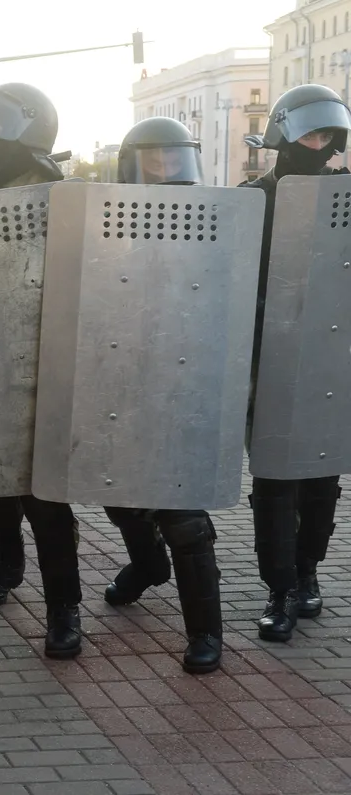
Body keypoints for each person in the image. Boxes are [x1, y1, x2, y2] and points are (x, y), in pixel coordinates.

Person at [0, 83, 83, 658]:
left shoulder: (63, 196)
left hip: (45, 359)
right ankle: (7, 566)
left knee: (44, 497)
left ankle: (64, 610)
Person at [99, 117, 222, 674]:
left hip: (185, 377)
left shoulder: (214, 216)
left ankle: (205, 634)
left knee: (183, 515)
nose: (166, 169)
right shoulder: (105, 216)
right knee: (120, 492)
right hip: (119, 372)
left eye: (175, 159)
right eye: (155, 159)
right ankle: (148, 567)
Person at [240, 84, 351, 643]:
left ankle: (307, 574)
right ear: (284, 133)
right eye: (309, 132)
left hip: (330, 355)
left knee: (321, 479)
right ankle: (279, 589)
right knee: (276, 480)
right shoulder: (252, 197)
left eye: (327, 134)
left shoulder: (344, 195)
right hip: (268, 356)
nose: (319, 144)